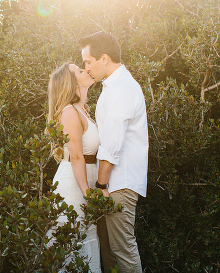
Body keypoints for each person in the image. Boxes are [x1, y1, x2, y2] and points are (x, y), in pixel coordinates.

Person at [80, 31, 147, 273]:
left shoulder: (122, 88)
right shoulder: (114, 86)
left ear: (104, 58)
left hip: (119, 183)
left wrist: (101, 185)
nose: (86, 68)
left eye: (89, 62)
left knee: (123, 249)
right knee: (108, 250)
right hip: (113, 182)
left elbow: (112, 145)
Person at [46, 62, 101, 273]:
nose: (85, 70)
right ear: (73, 83)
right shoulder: (70, 112)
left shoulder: (83, 109)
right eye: (79, 70)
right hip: (74, 186)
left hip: (86, 180)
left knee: (85, 241)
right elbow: (77, 157)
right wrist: (88, 194)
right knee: (74, 244)